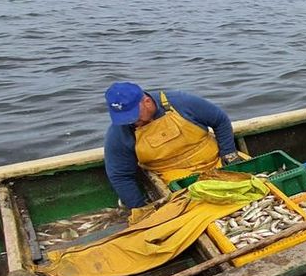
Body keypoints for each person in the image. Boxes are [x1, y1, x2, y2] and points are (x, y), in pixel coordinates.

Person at [103, 82, 242, 215]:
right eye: (123, 118)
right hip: (175, 179)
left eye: (133, 116)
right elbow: (120, 175)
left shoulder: (180, 101)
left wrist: (229, 155)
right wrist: (140, 208)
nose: (130, 121)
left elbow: (220, 121)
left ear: (146, 102)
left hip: (216, 161)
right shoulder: (118, 132)